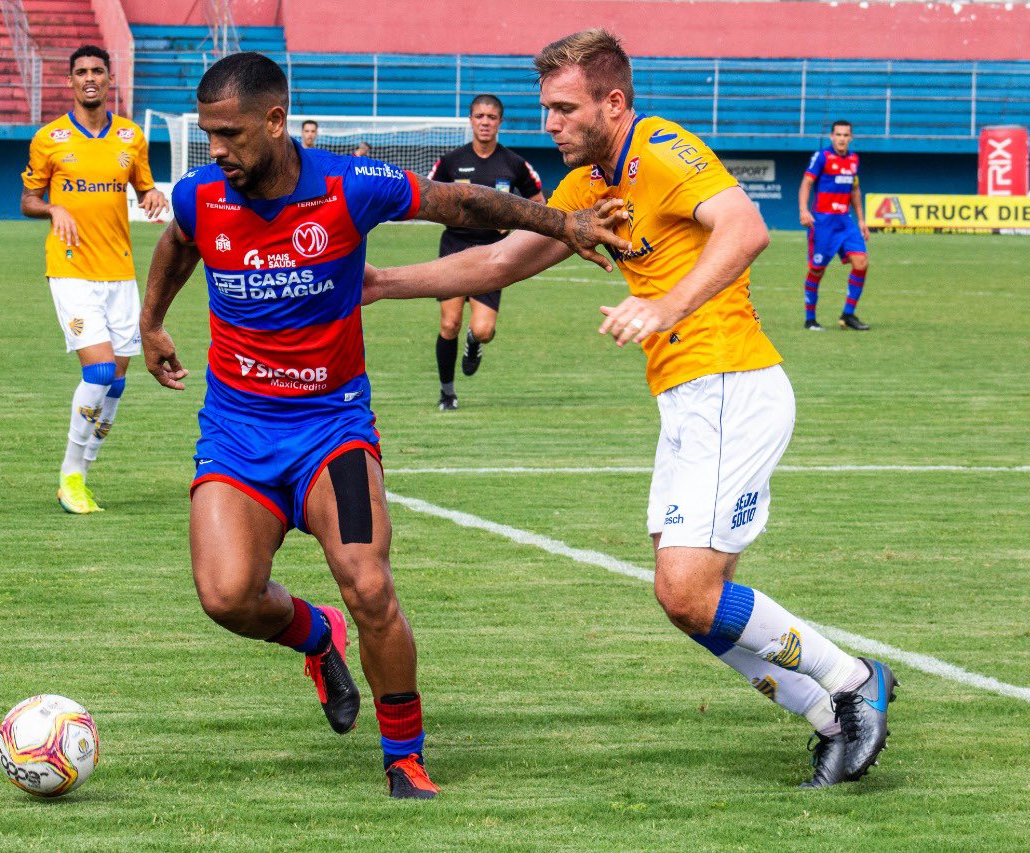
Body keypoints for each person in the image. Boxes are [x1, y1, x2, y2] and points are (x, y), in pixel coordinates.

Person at [362, 29, 897, 789]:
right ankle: (830, 716)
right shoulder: (585, 189)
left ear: (613, 103)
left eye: (563, 108)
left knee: (687, 588)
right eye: (544, 108)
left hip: (730, 383)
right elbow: (494, 261)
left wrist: (665, 306)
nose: (548, 123)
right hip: (688, 399)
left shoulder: (664, 149)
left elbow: (745, 228)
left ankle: (853, 682)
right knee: (687, 602)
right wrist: (383, 283)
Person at [140, 52, 625, 799]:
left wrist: (562, 220)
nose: (219, 151)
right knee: (227, 596)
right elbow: (178, 244)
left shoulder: (347, 185)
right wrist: (152, 324)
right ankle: (314, 635)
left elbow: (461, 206)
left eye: (231, 134)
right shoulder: (200, 194)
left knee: (369, 583)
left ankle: (404, 754)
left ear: (275, 121)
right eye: (209, 136)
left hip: (332, 429)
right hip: (236, 433)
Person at [21, 44, 170, 513]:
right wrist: (53, 206)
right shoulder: (49, 138)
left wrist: (152, 198)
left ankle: (83, 472)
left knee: (118, 382)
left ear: (109, 80)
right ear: (70, 81)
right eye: (81, 71)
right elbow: (27, 200)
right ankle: (70, 476)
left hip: (119, 272)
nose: (90, 78)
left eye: (97, 71)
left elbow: (144, 186)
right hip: (71, 270)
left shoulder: (130, 137)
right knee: (100, 371)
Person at [427, 95, 544, 410]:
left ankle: (474, 343)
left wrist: (517, 223)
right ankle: (447, 393)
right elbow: (428, 200)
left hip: (492, 253)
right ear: (470, 119)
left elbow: (539, 202)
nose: (485, 122)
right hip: (454, 248)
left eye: (491, 117)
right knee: (449, 323)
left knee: (484, 329)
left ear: (500, 122)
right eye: (479, 116)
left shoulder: (514, 163)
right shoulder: (450, 161)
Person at [798, 121, 871, 331]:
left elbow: (854, 191)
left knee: (861, 262)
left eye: (846, 135)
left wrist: (861, 220)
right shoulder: (822, 157)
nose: (841, 138)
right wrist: (804, 210)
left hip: (845, 221)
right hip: (823, 222)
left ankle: (848, 315)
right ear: (832, 136)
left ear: (851, 138)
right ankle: (810, 319)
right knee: (817, 269)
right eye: (838, 134)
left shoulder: (853, 160)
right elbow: (806, 183)